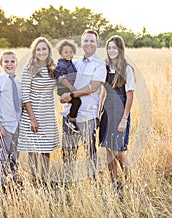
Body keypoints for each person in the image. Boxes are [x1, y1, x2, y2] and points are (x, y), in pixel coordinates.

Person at [60, 29, 107, 180]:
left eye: (92, 41)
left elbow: (93, 87)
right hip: (69, 115)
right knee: (68, 153)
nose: (88, 43)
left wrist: (72, 95)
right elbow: (63, 81)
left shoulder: (100, 64)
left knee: (90, 152)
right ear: (81, 43)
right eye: (86, 40)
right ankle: (67, 187)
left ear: (97, 43)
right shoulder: (74, 62)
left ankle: (93, 186)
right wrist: (63, 93)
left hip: (88, 115)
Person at [18, 37, 59, 184]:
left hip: (48, 113)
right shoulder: (30, 69)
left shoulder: (53, 69)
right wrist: (33, 119)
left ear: (49, 51)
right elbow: (25, 95)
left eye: (44, 49)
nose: (41, 52)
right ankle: (35, 179)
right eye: (38, 49)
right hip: (32, 113)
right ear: (34, 52)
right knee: (34, 149)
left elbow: (62, 87)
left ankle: (45, 177)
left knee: (46, 148)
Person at [99, 35, 135, 197]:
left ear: (120, 50)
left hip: (120, 112)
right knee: (108, 150)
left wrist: (124, 119)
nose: (111, 51)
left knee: (118, 151)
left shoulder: (127, 69)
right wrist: (99, 111)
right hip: (107, 111)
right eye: (109, 48)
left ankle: (131, 181)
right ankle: (114, 184)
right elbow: (103, 91)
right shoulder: (106, 68)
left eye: (114, 48)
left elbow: (130, 96)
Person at [0, 50, 21, 189]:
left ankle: (14, 179)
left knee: (15, 155)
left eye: (12, 61)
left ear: (16, 63)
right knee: (2, 156)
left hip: (18, 125)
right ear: (1, 64)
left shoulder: (19, 81)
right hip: (5, 125)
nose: (9, 64)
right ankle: (0, 183)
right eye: (6, 61)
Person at [54, 39, 81, 133]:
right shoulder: (61, 64)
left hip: (67, 88)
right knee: (77, 101)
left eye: (71, 52)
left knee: (75, 101)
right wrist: (71, 88)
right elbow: (61, 79)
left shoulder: (70, 62)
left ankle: (71, 118)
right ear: (60, 53)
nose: (68, 54)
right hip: (64, 88)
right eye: (65, 52)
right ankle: (71, 119)